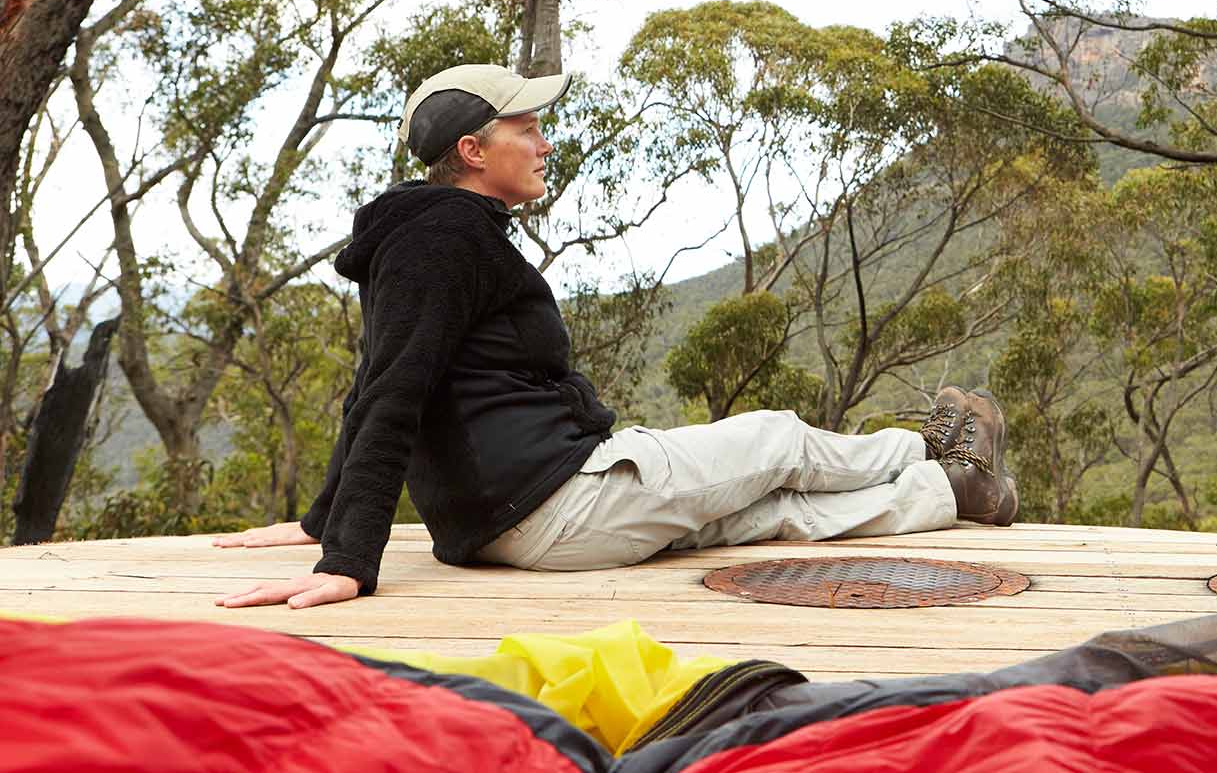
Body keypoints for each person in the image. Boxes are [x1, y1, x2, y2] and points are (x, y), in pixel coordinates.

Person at [212, 64, 1016, 609]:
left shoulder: (431, 234)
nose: (545, 143)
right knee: (774, 439)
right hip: (553, 499)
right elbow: (390, 392)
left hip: (512, 523)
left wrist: (323, 519)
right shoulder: (443, 239)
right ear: (473, 149)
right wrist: (347, 561)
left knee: (773, 511)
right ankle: (930, 451)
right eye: (527, 129)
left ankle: (957, 492)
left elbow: (374, 379)